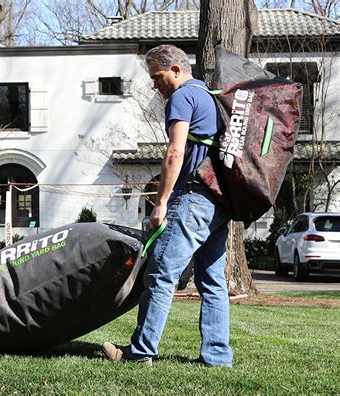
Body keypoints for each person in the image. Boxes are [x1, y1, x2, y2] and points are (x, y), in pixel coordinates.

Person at [102, 44, 232, 367]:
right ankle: (217, 357)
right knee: (213, 280)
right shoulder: (209, 95)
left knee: (160, 271)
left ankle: (141, 351)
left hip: (194, 198)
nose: (154, 85)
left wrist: (160, 203)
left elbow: (175, 153)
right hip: (219, 202)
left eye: (157, 77)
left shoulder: (182, 97)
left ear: (176, 70)